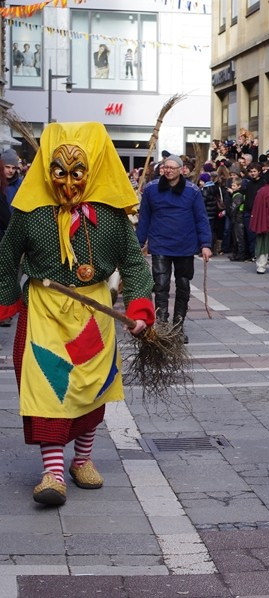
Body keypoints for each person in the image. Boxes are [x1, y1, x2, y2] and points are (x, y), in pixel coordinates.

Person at [0, 122, 154, 506]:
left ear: (93, 170)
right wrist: (6, 299)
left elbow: (134, 264)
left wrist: (139, 308)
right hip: (43, 310)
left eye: (77, 172)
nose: (68, 182)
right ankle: (52, 472)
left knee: (89, 387)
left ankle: (82, 459)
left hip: (93, 310)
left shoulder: (111, 215)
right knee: (47, 387)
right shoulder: (30, 212)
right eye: (59, 171)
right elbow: (6, 257)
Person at [136, 155, 212, 343]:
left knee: (183, 286)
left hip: (185, 245)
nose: (168, 170)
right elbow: (144, 217)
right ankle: (161, 324)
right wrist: (138, 242)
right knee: (160, 285)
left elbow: (201, 218)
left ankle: (178, 325)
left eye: (172, 167)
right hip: (160, 243)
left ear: (181, 170)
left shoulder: (192, 191)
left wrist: (205, 245)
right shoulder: (151, 189)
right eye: (165, 167)